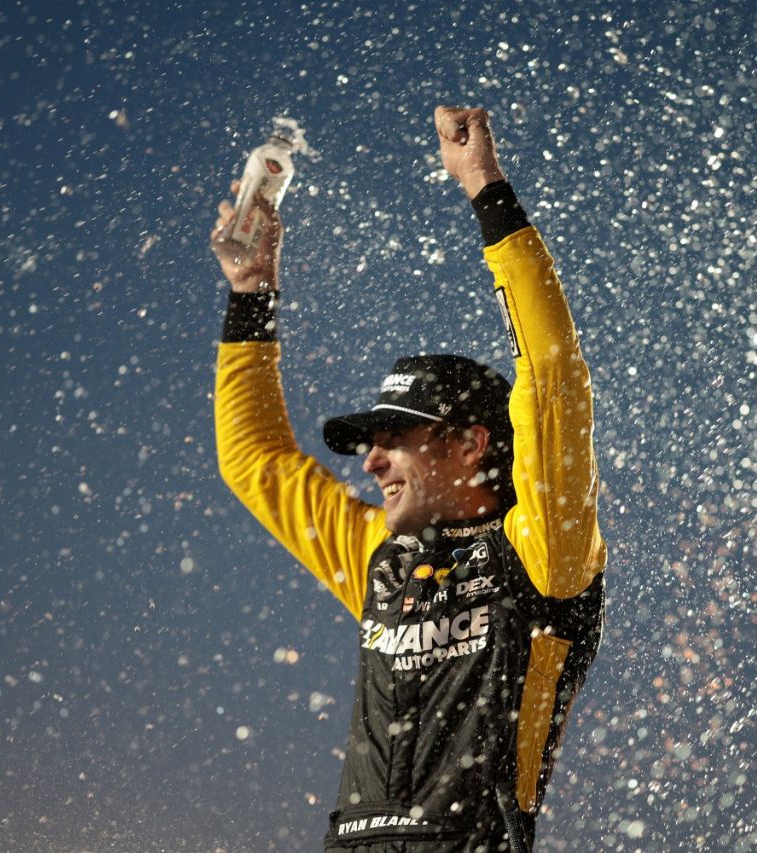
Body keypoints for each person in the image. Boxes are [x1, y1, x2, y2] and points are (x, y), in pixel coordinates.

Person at [211, 106, 606, 852]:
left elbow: (551, 374)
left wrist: (487, 189)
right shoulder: (378, 556)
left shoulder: (544, 554)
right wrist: (251, 293)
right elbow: (255, 463)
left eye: (396, 439)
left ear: (469, 446)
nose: (371, 462)